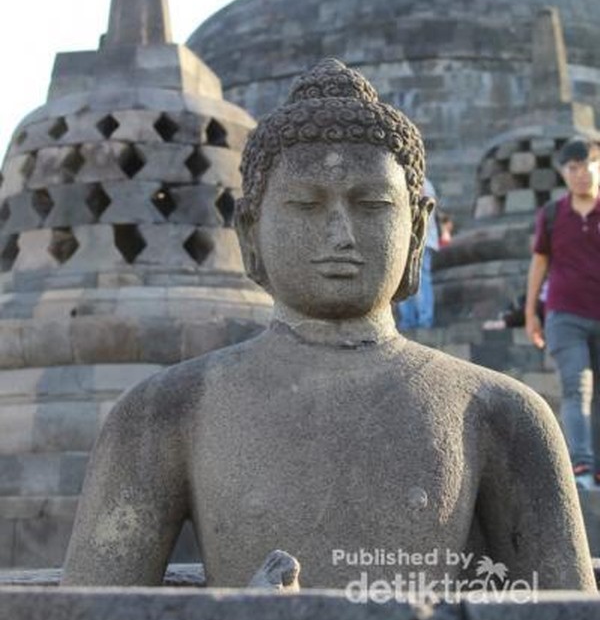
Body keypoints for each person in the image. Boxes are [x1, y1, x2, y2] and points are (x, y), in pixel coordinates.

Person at [62, 60, 594, 591]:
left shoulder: (501, 413)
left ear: (416, 228)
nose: (341, 234)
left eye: (371, 205)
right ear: (249, 230)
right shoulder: (163, 413)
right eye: (304, 205)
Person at [525, 136, 600, 490]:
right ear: (563, 173)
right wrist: (530, 313)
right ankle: (582, 466)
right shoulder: (553, 215)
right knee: (576, 387)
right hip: (565, 313)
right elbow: (539, 264)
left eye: (590, 164)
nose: (583, 173)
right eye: (574, 168)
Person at [398, 177, 439, 328]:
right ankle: (408, 320)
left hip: (423, 240)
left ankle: (424, 319)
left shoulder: (423, 184)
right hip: (404, 241)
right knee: (403, 279)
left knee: (422, 279)